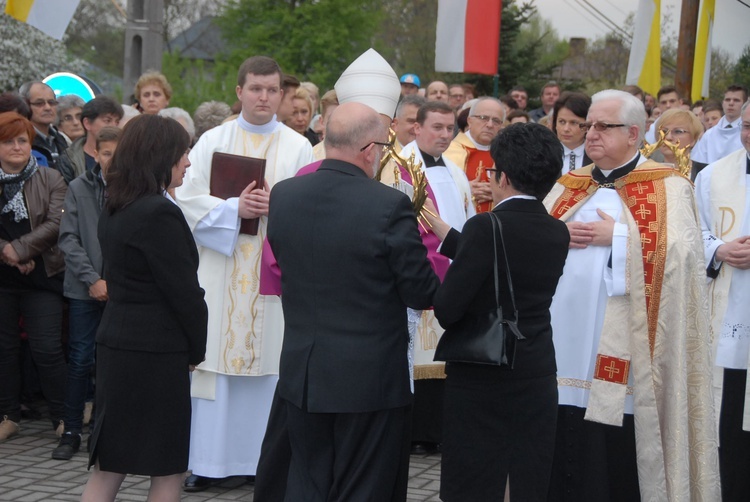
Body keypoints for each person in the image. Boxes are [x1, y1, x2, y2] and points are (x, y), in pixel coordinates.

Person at [543, 89, 720, 500]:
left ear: (635, 133)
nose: (592, 134)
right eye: (590, 126)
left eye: (605, 126)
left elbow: (682, 255)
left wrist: (619, 237)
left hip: (628, 348)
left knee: (610, 457)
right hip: (560, 342)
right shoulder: (568, 185)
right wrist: (555, 233)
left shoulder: (669, 187)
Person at [268, 101, 440, 501]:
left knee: (308, 479)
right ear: (368, 150)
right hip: (369, 377)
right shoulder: (388, 204)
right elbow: (420, 289)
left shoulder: (285, 194)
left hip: (303, 371)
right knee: (363, 484)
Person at [176, 55, 314, 492]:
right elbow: (184, 198)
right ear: (239, 92)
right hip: (219, 272)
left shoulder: (298, 146)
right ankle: (209, 463)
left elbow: (313, 206)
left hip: (271, 280)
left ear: (282, 94)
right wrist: (235, 208)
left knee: (270, 366)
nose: (264, 97)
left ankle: (263, 466)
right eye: (255, 88)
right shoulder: (211, 142)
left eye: (272, 90)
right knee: (214, 366)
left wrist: (280, 207)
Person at [431, 122, 569, 501]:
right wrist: (446, 233)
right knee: (525, 472)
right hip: (535, 365)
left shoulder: (484, 225)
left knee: (476, 476)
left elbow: (448, 309)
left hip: (483, 372)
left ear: (503, 177)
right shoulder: (558, 231)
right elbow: (508, 261)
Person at [81, 114, 207, 501]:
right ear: (160, 157)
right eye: (183, 154)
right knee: (167, 468)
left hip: (118, 345)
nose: (188, 162)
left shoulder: (117, 206)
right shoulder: (158, 213)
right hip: (156, 353)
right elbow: (184, 293)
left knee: (109, 465)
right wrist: (195, 350)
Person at [400, 100, 474, 454]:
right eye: (437, 128)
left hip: (454, 273)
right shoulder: (400, 169)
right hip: (419, 275)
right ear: (417, 127)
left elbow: (468, 218)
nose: (445, 135)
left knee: (444, 356)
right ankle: (415, 431)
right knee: (417, 354)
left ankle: (439, 430)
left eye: (450, 129)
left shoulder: (456, 171)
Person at [53, 127, 121, 461]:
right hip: (83, 289)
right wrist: (93, 279)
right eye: (106, 153)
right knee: (80, 359)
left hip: (120, 293)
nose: (112, 159)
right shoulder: (79, 187)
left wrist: (115, 282)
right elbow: (69, 238)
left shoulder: (133, 191)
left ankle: (103, 431)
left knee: (111, 362)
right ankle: (70, 430)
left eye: (118, 153)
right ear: (96, 154)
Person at [0, 112, 68, 441]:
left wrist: (22, 250)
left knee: (47, 349)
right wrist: (9, 253)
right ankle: (8, 415)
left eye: (22, 140)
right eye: (8, 141)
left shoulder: (51, 178)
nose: (16, 146)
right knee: (5, 349)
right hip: (2, 279)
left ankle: (62, 415)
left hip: (44, 277)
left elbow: (57, 224)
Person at [695, 100, 750, 501]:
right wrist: (718, 250)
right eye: (746, 127)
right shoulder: (713, 175)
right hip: (726, 312)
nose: (749, 136)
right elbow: (692, 230)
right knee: (726, 417)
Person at [445, 97, 505, 213]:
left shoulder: (505, 155)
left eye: (496, 121)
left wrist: (500, 194)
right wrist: (464, 190)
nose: (490, 125)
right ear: (469, 121)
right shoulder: (449, 152)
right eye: (484, 118)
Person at [19, 81, 75, 182]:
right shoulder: (20, 141)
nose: (48, 108)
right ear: (25, 105)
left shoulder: (61, 139)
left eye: (52, 102)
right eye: (39, 103)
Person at [691, 84, 748, 173]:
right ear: (723, 103)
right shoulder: (709, 135)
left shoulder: (746, 134)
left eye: (736, 100)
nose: (731, 103)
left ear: (745, 104)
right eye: (727, 100)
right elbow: (698, 165)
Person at [67, 96, 123, 178]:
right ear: (87, 123)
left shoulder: (125, 155)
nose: (114, 126)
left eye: (117, 122)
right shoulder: (70, 159)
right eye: (107, 121)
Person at [652, 108, 703, 178]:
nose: (668, 137)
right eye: (663, 131)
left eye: (678, 131)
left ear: (693, 139)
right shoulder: (646, 174)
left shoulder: (705, 173)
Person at [552, 91, 592, 175]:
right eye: (562, 122)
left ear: (587, 125)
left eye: (573, 123)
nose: (566, 129)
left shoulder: (596, 157)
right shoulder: (545, 155)